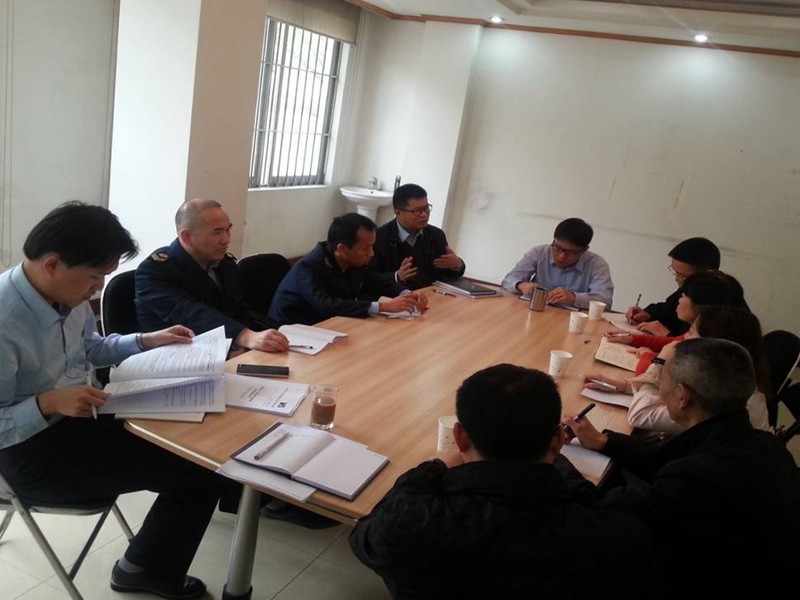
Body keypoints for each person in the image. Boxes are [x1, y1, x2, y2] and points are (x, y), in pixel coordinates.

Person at [0, 202, 227, 599]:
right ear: (52, 264)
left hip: (81, 416)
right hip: (27, 454)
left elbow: (88, 348)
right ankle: (144, 570)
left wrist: (145, 341)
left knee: (198, 442)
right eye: (95, 276)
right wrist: (48, 402)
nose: (99, 287)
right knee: (200, 469)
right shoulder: (5, 321)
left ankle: (146, 563)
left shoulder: (62, 295)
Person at [349, 364, 654, 600]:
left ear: (460, 437)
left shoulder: (408, 524)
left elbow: (362, 536)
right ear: (559, 441)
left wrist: (435, 466)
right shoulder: (619, 540)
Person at [564, 338, 800, 596]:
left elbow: (605, 507)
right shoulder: (762, 443)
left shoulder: (699, 478)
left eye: (662, 378)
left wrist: (550, 456)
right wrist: (604, 441)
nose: (658, 385)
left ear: (682, 396)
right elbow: (662, 460)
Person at [135, 198, 289, 354]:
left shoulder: (224, 263)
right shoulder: (155, 271)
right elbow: (191, 315)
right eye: (217, 232)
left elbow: (238, 311)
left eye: (228, 230)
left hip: (228, 349)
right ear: (187, 237)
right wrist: (245, 336)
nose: (226, 239)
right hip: (178, 356)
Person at [592, 306, 770, 433]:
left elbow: (640, 415)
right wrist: (625, 387)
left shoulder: (721, 400)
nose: (683, 338)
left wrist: (659, 362)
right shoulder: (730, 376)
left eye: (691, 333)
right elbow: (674, 394)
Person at [269, 213, 428, 326]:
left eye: (372, 247)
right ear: (342, 249)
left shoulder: (354, 260)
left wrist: (407, 294)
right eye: (366, 248)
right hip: (292, 331)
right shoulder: (309, 267)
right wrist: (383, 307)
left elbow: (376, 281)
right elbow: (326, 305)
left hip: (332, 327)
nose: (371, 254)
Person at [500, 217, 613, 309]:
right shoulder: (539, 252)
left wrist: (574, 297)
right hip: (536, 310)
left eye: (570, 252)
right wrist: (521, 285)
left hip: (571, 319)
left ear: (584, 250)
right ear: (553, 240)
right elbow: (508, 279)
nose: (561, 256)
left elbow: (605, 301)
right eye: (557, 248)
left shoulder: (597, 265)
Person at [372, 183, 465, 290]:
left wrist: (457, 264)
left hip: (431, 294)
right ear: (398, 213)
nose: (424, 214)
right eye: (417, 211)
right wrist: (397, 276)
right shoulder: (379, 237)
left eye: (426, 208)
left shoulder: (436, 235)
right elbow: (370, 278)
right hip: (396, 296)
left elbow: (447, 274)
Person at [626, 237, 720, 336]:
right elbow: (670, 308)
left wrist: (666, 334)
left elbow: (697, 342)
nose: (677, 279)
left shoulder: (716, 308)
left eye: (683, 276)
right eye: (675, 273)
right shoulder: (688, 290)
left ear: (707, 275)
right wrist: (648, 314)